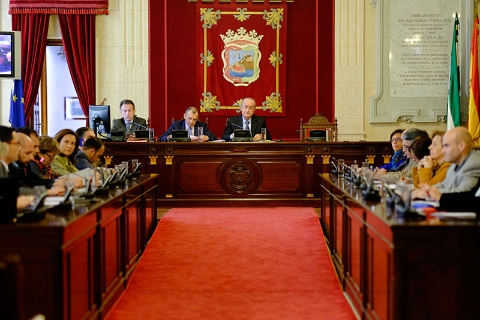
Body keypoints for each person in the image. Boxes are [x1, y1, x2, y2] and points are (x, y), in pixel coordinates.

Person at [415, 127, 480, 199]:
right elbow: (444, 184)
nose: (443, 151)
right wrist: (426, 190)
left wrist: (430, 193)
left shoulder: (474, 164)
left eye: (446, 146)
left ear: (461, 146)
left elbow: (463, 193)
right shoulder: (455, 164)